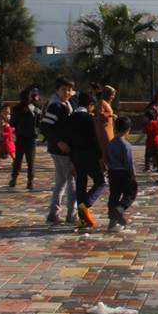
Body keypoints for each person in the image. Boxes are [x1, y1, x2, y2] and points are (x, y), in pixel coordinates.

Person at [40, 76, 77, 223]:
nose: (66, 92)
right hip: (61, 150)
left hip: (61, 149)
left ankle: (53, 213)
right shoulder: (56, 106)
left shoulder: (65, 104)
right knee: (71, 180)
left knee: (61, 181)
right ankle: (71, 214)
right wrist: (58, 142)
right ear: (57, 90)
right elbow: (44, 126)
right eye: (63, 90)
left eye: (69, 90)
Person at [67, 91, 104, 229]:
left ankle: (82, 219)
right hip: (89, 155)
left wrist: (71, 160)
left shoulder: (71, 118)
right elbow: (94, 139)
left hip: (76, 156)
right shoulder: (88, 118)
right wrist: (100, 157)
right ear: (90, 105)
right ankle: (86, 204)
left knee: (80, 185)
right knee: (100, 182)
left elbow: (69, 140)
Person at [105, 116, 138, 230]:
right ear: (128, 130)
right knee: (131, 192)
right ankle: (121, 208)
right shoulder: (126, 145)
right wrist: (132, 173)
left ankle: (112, 220)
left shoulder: (110, 143)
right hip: (124, 172)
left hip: (112, 171)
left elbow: (107, 157)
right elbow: (129, 161)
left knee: (114, 194)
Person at [9, 87, 41, 189]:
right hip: (31, 136)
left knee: (18, 159)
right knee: (30, 160)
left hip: (20, 136)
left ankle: (14, 179)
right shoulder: (35, 108)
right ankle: (30, 181)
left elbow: (12, 123)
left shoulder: (16, 109)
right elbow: (39, 120)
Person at [142, 108, 158, 173]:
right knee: (157, 155)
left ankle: (147, 167)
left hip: (150, 142)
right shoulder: (156, 123)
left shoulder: (147, 125)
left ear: (147, 117)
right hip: (157, 141)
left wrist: (137, 142)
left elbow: (144, 134)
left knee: (147, 156)